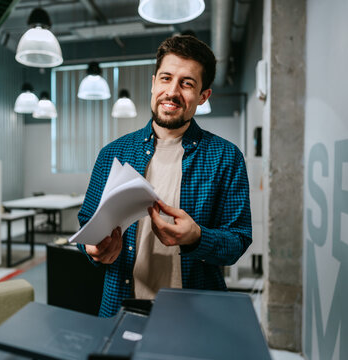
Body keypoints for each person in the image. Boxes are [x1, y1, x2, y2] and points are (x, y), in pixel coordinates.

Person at [77, 35, 252, 317]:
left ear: (203, 95)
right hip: (121, 309)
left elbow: (238, 241)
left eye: (187, 83)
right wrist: (93, 250)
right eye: (166, 78)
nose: (172, 92)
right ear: (153, 82)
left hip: (196, 315)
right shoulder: (113, 153)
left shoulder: (225, 157)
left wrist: (197, 237)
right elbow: (87, 224)